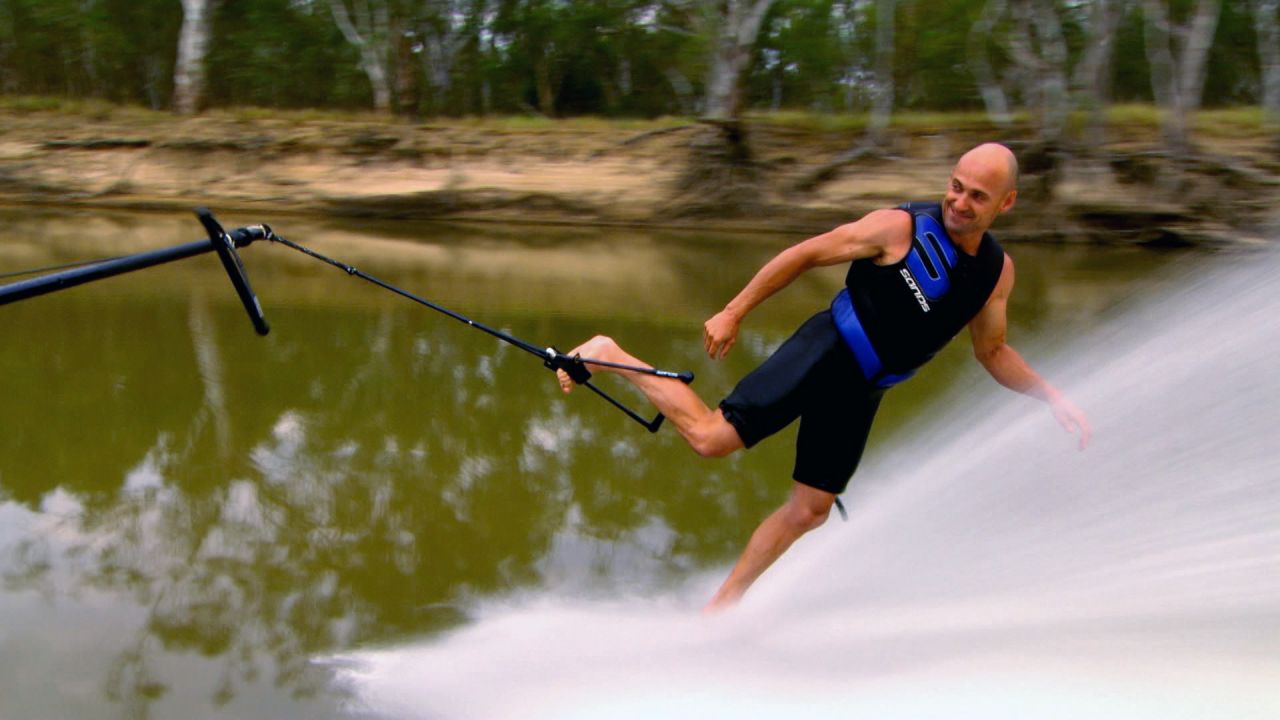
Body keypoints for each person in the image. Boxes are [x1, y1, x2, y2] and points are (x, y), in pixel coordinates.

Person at [555, 142, 1091, 612]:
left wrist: (1049, 395)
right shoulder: (899, 227)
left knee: (810, 509)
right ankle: (606, 351)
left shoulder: (998, 272)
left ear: (1006, 203)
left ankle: (720, 608)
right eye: (956, 186)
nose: (959, 202)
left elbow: (992, 350)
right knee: (712, 439)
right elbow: (806, 254)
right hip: (828, 349)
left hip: (865, 388)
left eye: (978, 195)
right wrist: (733, 311)